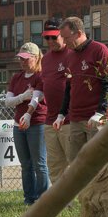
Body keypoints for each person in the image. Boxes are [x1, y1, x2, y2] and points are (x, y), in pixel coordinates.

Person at [53, 16, 108, 161]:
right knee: (75, 163)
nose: (64, 42)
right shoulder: (70, 56)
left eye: (66, 38)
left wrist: (100, 112)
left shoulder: (100, 50)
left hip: (96, 118)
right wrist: (62, 114)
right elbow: (69, 87)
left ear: (79, 33)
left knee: (98, 163)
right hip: (76, 118)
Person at [5, 42, 49, 205]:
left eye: (25, 59)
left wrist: (28, 113)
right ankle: (29, 198)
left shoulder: (41, 76)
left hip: (37, 123)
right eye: (20, 59)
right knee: (25, 164)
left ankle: (43, 200)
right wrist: (23, 96)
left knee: (39, 163)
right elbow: (8, 102)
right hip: (18, 125)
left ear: (36, 58)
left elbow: (36, 98)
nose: (22, 62)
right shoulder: (16, 77)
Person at [40, 17, 71, 183]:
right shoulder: (45, 59)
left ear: (63, 35)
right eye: (47, 37)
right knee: (54, 164)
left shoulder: (72, 54)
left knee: (74, 163)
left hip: (69, 119)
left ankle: (80, 198)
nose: (50, 41)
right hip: (50, 120)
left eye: (54, 37)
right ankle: (61, 202)